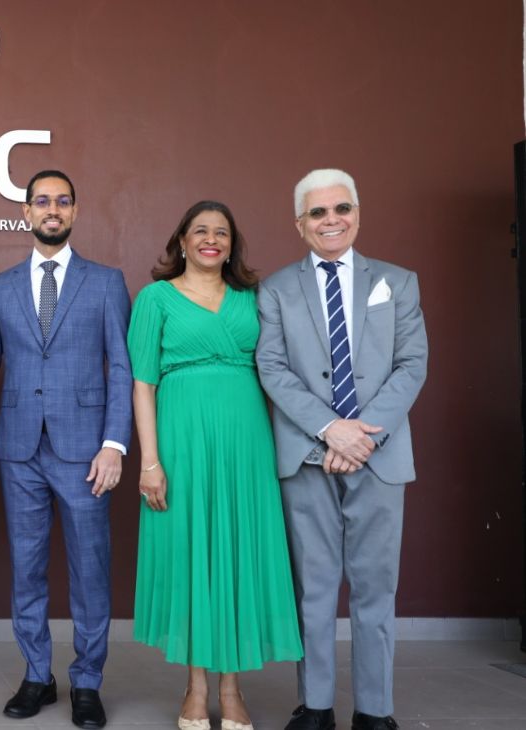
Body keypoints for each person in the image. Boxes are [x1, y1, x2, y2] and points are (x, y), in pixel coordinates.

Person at [256, 170, 428, 730]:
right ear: (299, 224)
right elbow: (272, 369)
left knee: (376, 588)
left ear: (357, 214)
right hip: (308, 456)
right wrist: (331, 429)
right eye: (318, 212)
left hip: (379, 456)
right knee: (314, 587)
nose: (331, 220)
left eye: (341, 209)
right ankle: (316, 706)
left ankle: (375, 711)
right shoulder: (275, 289)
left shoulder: (397, 282)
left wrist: (362, 436)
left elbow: (412, 365)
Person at [128, 200, 304, 730]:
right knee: (192, 557)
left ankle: (232, 689)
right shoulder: (155, 298)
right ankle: (195, 686)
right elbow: (142, 384)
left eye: (221, 233)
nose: (211, 239)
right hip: (181, 442)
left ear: (232, 245)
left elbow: (279, 371)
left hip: (245, 444)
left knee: (237, 554)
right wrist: (150, 461)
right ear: (181, 241)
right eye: (200, 231)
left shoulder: (255, 298)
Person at [0, 169, 131, 729]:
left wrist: (114, 444)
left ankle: (87, 681)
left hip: (86, 452)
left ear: (75, 211)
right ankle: (37, 674)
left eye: (62, 201)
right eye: (42, 201)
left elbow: (122, 369)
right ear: (26, 212)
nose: (52, 209)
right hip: (17, 451)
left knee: (90, 572)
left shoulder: (106, 282)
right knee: (27, 568)